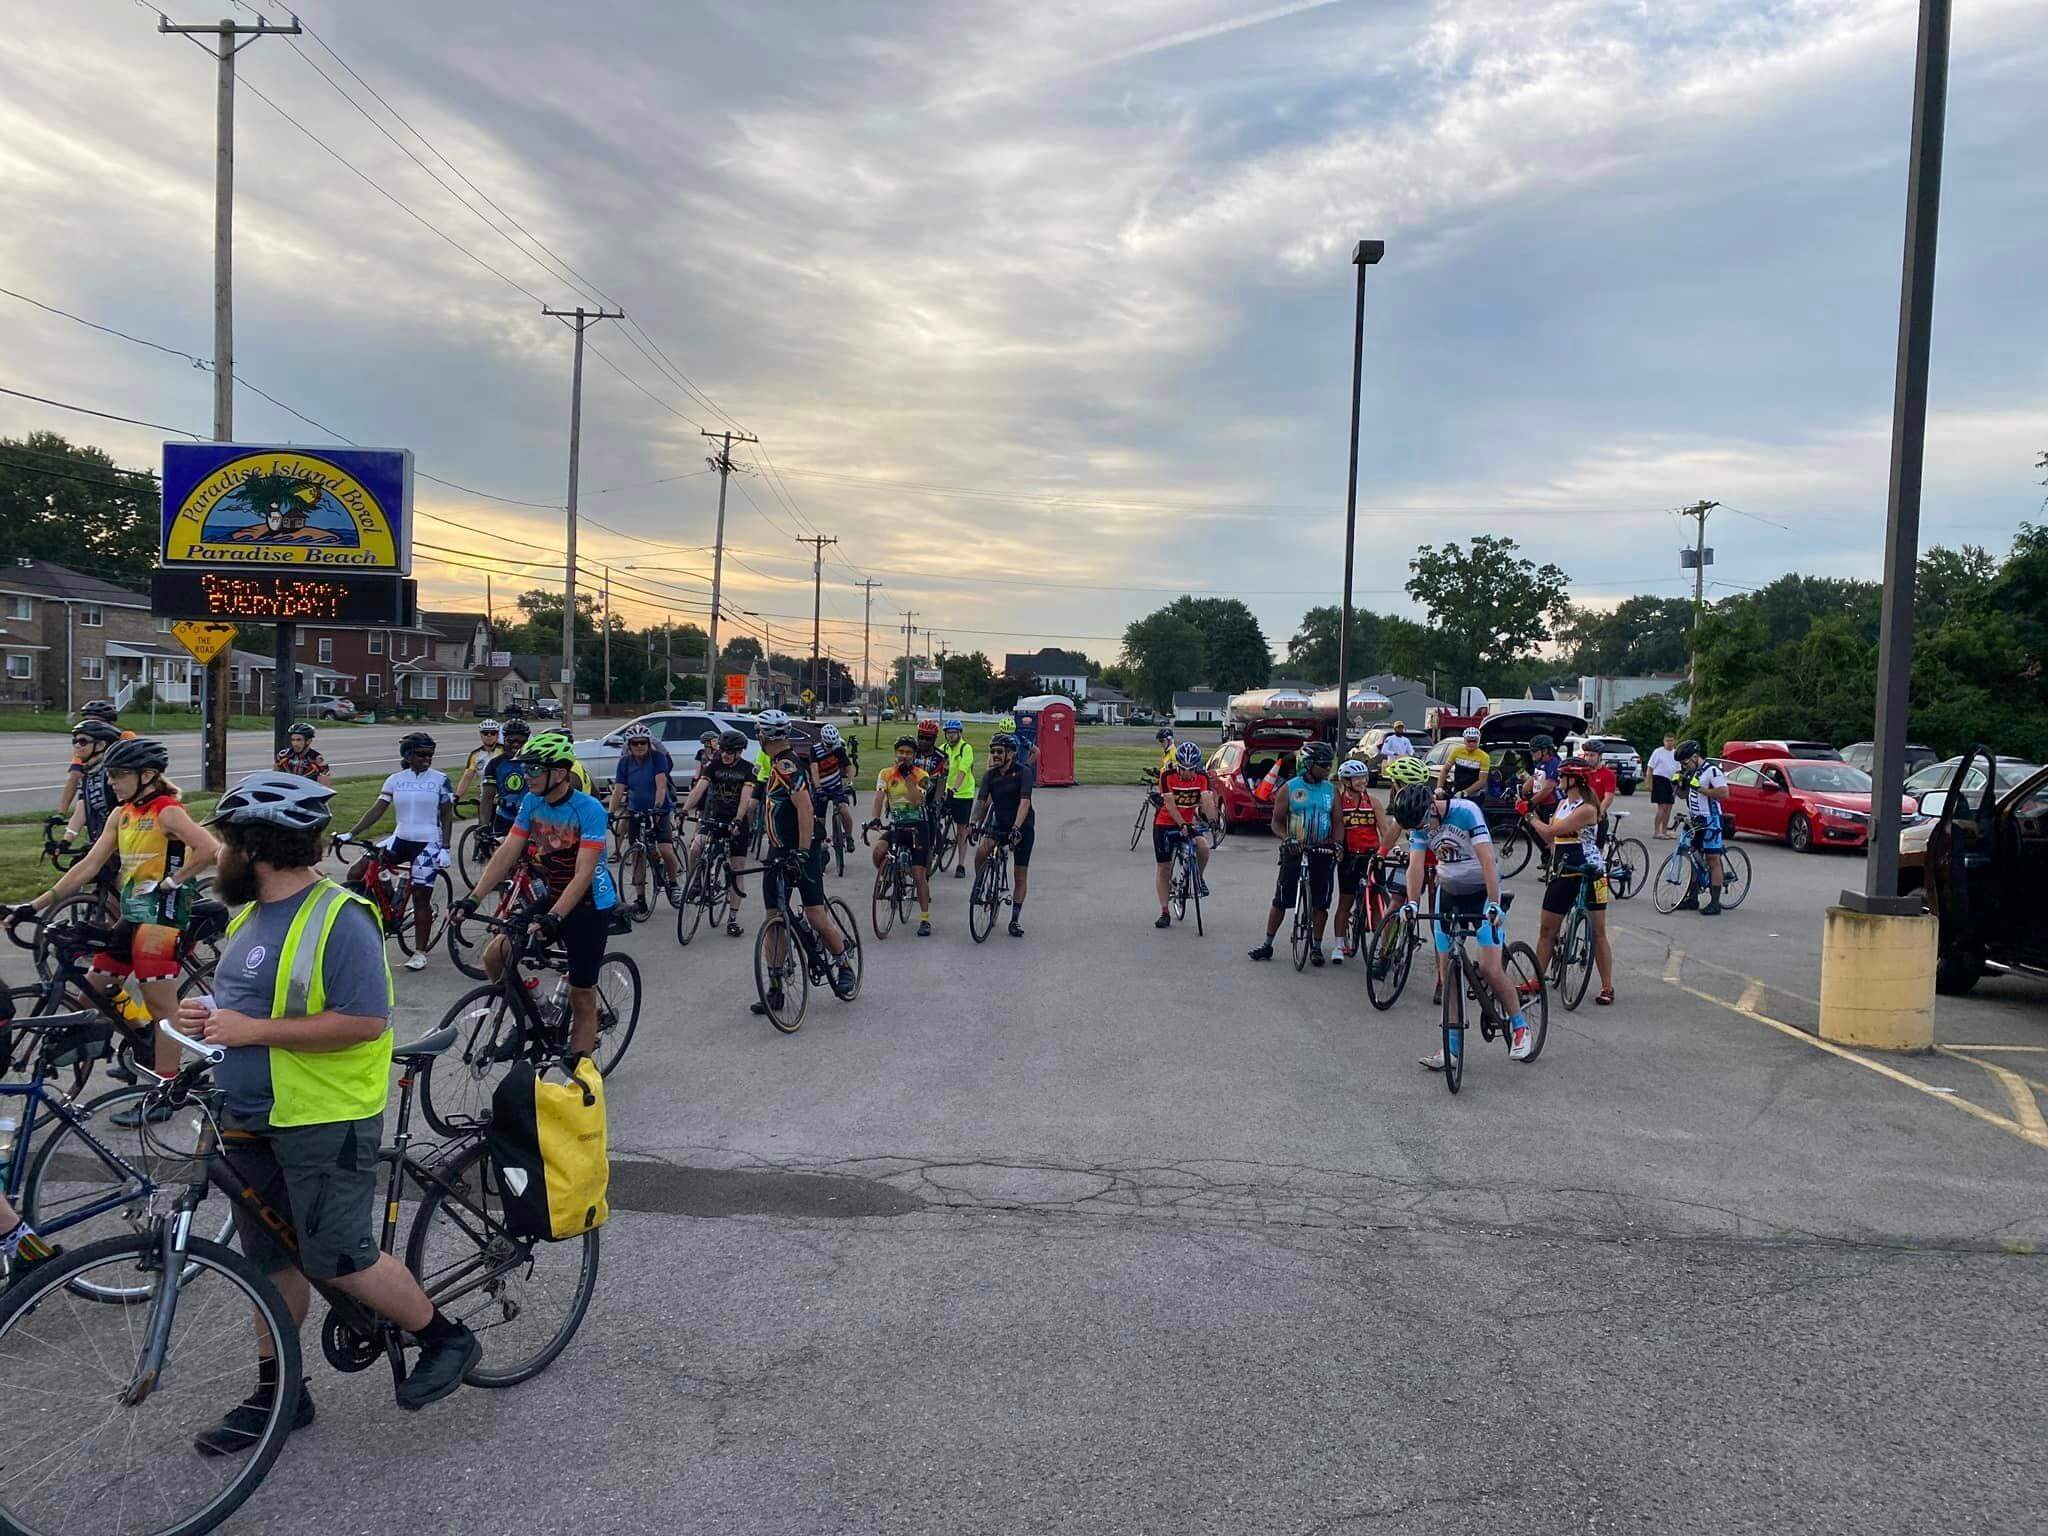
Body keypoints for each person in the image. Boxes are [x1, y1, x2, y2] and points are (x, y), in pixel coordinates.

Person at [179, 770, 480, 1448]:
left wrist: (251, 1031)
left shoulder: (341, 918)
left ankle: (446, 1339)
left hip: (322, 1118)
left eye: (227, 843)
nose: (219, 855)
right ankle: (281, 1394)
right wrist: (211, 1014)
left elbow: (365, 1021)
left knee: (342, 1258)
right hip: (248, 1114)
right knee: (271, 1262)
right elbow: (257, 1003)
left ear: (255, 849)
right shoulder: (252, 915)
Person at [7, 737, 219, 1116]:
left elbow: (209, 849)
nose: (112, 782)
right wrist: (33, 905)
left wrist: (174, 881)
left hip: (162, 920)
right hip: (132, 915)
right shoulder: (122, 815)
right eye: (110, 775)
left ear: (147, 775)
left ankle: (168, 1090)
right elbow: (87, 867)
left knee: (162, 1007)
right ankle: (143, 1040)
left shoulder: (168, 812)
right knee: (94, 991)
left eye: (119, 775)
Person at [458, 732, 618, 1054]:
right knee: (495, 955)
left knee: (582, 995)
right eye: (524, 768)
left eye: (533, 769)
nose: (525, 775)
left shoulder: (588, 809)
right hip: (555, 894)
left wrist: (554, 917)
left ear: (558, 773)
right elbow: (507, 852)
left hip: (589, 901)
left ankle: (580, 1072)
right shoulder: (532, 802)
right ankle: (531, 1018)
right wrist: (472, 899)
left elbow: (583, 873)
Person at [1390, 780, 1536, 1071]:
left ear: (1433, 806)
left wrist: (1493, 903)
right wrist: (1412, 903)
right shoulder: (1419, 824)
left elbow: (1487, 861)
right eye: (1419, 828)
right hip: (1449, 892)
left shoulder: (1466, 811)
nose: (1426, 830)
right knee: (1448, 977)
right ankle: (1451, 1047)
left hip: (1481, 891)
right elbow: (1416, 866)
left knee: (1490, 968)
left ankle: (1520, 1027)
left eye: (1425, 823)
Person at [751, 735, 856, 1015]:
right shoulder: (777, 762)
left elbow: (806, 808)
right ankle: (775, 989)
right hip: (778, 849)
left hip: (802, 849)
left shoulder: (787, 765)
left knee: (815, 914)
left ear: (764, 738)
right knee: (774, 919)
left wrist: (803, 850)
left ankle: (843, 964)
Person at [339, 732, 453, 972]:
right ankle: (385, 908)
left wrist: (445, 847)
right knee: (357, 871)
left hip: (428, 842)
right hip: (400, 838)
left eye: (430, 754)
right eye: (421, 754)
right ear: (408, 755)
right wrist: (351, 833)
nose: (427, 758)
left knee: (421, 897)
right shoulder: (395, 780)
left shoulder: (440, 780)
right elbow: (377, 810)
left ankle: (420, 952)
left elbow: (446, 815)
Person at [1528, 758, 1616, 1005]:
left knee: (1598, 932)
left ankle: (1607, 986)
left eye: (1562, 776)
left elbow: (1549, 831)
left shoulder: (1587, 808)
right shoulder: (1562, 804)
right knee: (1547, 930)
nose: (1558, 780)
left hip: (1590, 871)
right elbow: (1551, 840)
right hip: (1563, 869)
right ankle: (1537, 979)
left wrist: (1529, 816)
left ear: (1574, 780)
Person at [1247, 741, 1338, 965]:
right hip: (1294, 849)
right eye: (1323, 765)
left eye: (1329, 764)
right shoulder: (1289, 788)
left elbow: (1338, 822)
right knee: (1281, 899)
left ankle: (1316, 947)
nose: (1328, 769)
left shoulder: (1331, 790)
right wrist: (1287, 839)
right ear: (1308, 765)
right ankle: (1267, 944)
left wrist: (1338, 844)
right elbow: (1276, 822)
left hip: (1322, 850)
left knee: (1321, 903)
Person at [681, 730, 756, 929]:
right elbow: (699, 789)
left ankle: (732, 918)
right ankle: (696, 881)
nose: (724, 755)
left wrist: (738, 820)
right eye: (722, 750)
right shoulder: (713, 765)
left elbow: (745, 798)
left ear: (739, 752)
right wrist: (684, 809)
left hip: (736, 822)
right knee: (696, 847)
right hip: (714, 818)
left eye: (729, 752)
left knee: (737, 870)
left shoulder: (747, 769)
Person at [606, 724, 682, 914]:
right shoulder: (625, 762)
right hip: (635, 811)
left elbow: (661, 785)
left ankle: (674, 884)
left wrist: (657, 808)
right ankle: (640, 899)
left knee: (665, 849)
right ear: (629, 745)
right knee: (637, 854)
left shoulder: (657, 758)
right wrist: (611, 813)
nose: (639, 746)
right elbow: (619, 789)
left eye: (643, 743)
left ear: (649, 743)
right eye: (635, 743)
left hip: (659, 810)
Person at [970, 730, 1033, 937]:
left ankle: (1014, 920)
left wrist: (1016, 828)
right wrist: (973, 824)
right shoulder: (990, 776)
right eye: (993, 751)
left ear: (1011, 754)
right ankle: (981, 885)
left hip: (1021, 827)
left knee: (1019, 876)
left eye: (999, 751)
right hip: (999, 825)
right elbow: (981, 802)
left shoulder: (1023, 772)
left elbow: (1025, 802)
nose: (995, 755)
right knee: (982, 852)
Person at [1330, 757, 1394, 963]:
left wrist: (1387, 851)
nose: (1362, 781)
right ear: (1345, 781)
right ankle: (1339, 944)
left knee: (1377, 900)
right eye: (1357, 778)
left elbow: (1384, 830)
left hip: (1372, 856)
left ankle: (1381, 946)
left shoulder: (1373, 802)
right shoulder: (1339, 803)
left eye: (1364, 777)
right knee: (1345, 902)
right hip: (1350, 857)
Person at [868, 734, 934, 936]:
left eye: (908, 753)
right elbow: (879, 797)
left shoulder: (922, 775)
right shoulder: (886, 773)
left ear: (914, 756)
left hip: (918, 828)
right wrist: (875, 818)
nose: (903, 756)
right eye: (900, 752)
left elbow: (917, 801)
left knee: (918, 875)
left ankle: (924, 919)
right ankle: (889, 875)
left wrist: (907, 777)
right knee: (878, 851)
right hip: (897, 826)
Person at [1152, 739, 1214, 929]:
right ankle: (1164, 911)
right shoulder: (1167, 776)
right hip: (1165, 823)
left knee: (1203, 848)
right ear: (1177, 765)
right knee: (1164, 866)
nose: (1187, 773)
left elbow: (1207, 800)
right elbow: (1170, 805)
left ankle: (1199, 878)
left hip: (1188, 822)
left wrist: (1212, 821)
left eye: (1191, 768)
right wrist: (1182, 824)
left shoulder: (1202, 777)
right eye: (1183, 768)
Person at [57, 719, 124, 892]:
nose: (76, 746)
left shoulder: (113, 774)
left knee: (120, 890)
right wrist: (66, 840)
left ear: (101, 745)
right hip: (101, 841)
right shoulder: (88, 773)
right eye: (75, 741)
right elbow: (83, 808)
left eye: (82, 741)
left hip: (122, 843)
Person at [1673, 739, 1729, 915]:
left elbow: (1724, 793)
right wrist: (1678, 785)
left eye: (1685, 763)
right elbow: (1684, 795)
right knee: (1695, 857)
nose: (1683, 766)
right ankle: (1693, 898)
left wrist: (1701, 789)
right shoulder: (1691, 772)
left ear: (1695, 757)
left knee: (1712, 859)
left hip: (1711, 819)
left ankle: (1715, 902)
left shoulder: (1712, 771)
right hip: (1696, 819)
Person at [478, 718, 533, 848]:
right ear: (504, 740)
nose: (516, 744)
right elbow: (487, 798)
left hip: (531, 820)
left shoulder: (535, 763)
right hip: (504, 819)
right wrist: (484, 825)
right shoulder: (495, 764)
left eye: (521, 741)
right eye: (511, 740)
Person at [811, 722, 860, 866]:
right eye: (828, 745)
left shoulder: (838, 748)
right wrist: (818, 787)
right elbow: (814, 770)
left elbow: (849, 766)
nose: (831, 748)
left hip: (836, 786)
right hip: (821, 786)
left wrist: (850, 782)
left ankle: (849, 837)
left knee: (844, 810)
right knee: (820, 820)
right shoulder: (815, 750)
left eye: (833, 744)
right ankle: (821, 846)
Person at [911, 719, 950, 882]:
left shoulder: (942, 757)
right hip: (910, 795)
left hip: (931, 796)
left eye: (927, 738)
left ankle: (924, 878)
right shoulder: (911, 752)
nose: (923, 741)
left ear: (934, 739)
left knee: (928, 840)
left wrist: (936, 803)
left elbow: (941, 782)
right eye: (920, 737)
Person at [939, 718, 976, 875]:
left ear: (960, 733)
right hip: (946, 791)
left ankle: (961, 865)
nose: (950, 736)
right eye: (948, 733)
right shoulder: (942, 749)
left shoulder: (966, 749)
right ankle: (938, 841)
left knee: (961, 830)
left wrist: (955, 788)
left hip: (963, 793)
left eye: (953, 733)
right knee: (934, 819)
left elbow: (962, 771)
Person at [454, 720, 501, 800]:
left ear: (497, 734)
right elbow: (467, 778)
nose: (489, 735)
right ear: (481, 735)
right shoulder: (475, 755)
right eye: (485, 733)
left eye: (493, 733)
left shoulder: (505, 751)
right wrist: (457, 796)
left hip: (503, 799)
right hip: (486, 799)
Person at [1439, 726, 1490, 798]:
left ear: (1478, 741)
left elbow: (1482, 781)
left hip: (1474, 794)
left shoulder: (1484, 757)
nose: (1471, 744)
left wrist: (1466, 792)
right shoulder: (1457, 751)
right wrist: (1439, 787)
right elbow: (1445, 770)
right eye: (1469, 741)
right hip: (1457, 790)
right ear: (1464, 740)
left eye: (1474, 741)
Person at [1647, 733, 1681, 838]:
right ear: (1664, 741)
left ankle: (1664, 830)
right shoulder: (1658, 752)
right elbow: (1650, 768)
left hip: (1671, 781)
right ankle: (1657, 831)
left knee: (1669, 806)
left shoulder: (1676, 754)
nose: (1669, 743)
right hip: (1659, 779)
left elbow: (1678, 771)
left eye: (1671, 741)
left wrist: (1677, 783)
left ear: (1674, 741)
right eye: (1667, 741)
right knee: (1661, 806)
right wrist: (1649, 783)